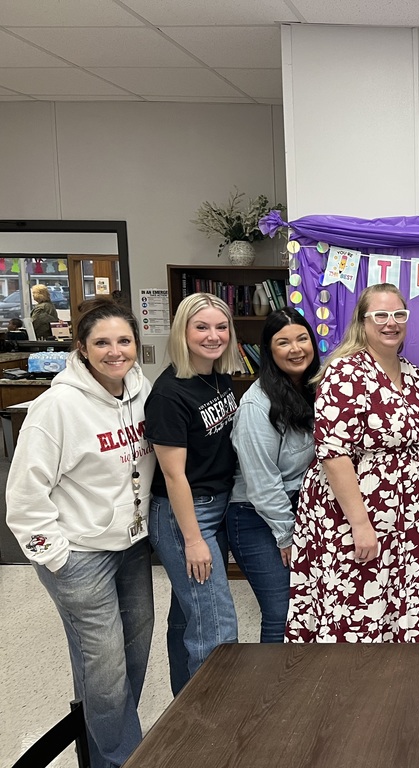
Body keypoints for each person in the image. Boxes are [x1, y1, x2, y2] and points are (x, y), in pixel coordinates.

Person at [6, 298, 155, 767]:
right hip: (80, 555)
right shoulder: (57, 407)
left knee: (129, 653)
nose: (116, 351)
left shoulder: (140, 387)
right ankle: (120, 758)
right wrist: (57, 557)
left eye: (124, 341)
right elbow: (24, 495)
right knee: (105, 665)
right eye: (103, 343)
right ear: (82, 349)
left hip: (129, 545)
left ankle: (101, 746)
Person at [286, 283, 419, 643]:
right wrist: (360, 524)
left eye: (399, 315)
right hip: (356, 514)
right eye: (381, 316)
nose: (391, 323)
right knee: (359, 605)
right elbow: (333, 453)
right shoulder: (345, 372)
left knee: (397, 606)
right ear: (362, 321)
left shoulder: (415, 375)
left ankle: (396, 689)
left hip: (407, 520)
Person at [147, 292, 240, 694]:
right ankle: (212, 725)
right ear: (182, 332)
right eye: (201, 327)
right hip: (184, 514)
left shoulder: (218, 376)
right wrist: (193, 540)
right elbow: (173, 476)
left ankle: (183, 710)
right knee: (217, 625)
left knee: (189, 617)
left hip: (215, 507)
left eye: (221, 327)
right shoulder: (169, 394)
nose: (213, 336)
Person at [226, 309, 320, 643]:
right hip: (255, 516)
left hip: (298, 509)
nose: (296, 349)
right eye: (283, 342)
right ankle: (269, 694)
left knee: (309, 608)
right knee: (281, 611)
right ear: (269, 350)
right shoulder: (257, 405)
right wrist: (286, 535)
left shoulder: (314, 388)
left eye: (302, 338)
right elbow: (262, 483)